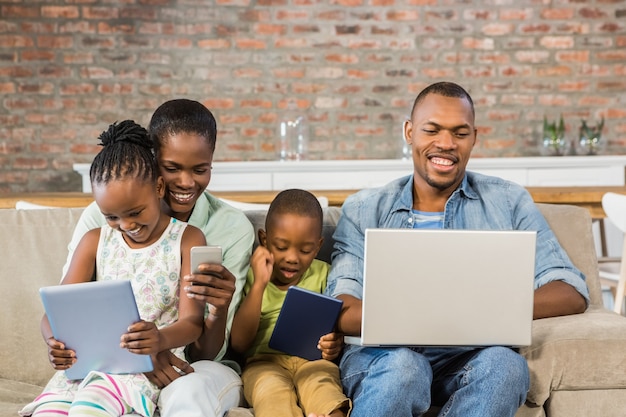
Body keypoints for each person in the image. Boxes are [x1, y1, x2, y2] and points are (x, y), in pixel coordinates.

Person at [325, 81, 590, 417]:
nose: (446, 144)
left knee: (505, 365)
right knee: (405, 368)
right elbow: (342, 308)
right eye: (432, 130)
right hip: (383, 358)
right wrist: (441, 310)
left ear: (474, 138)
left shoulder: (508, 201)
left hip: (468, 356)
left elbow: (570, 290)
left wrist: (483, 309)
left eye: (460, 133)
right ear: (410, 132)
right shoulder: (364, 208)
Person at [60, 100, 255, 416]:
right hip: (116, 362)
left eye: (200, 169)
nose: (186, 183)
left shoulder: (231, 228)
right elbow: (71, 310)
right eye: (172, 167)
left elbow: (207, 352)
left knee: (189, 394)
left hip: (199, 367)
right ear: (153, 164)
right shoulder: (102, 217)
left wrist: (218, 310)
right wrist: (141, 355)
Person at [21, 120, 207, 416]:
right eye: (112, 217)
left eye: (135, 213)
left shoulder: (187, 239)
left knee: (88, 408)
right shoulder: (95, 241)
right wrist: (53, 341)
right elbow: (55, 311)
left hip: (143, 369)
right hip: (88, 366)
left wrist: (159, 339)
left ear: (158, 187)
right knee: (49, 412)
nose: (127, 225)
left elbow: (193, 323)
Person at [230, 189, 351, 417]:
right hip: (263, 363)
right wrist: (259, 286)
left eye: (305, 250)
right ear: (264, 240)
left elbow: (338, 326)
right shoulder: (250, 276)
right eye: (281, 247)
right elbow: (238, 344)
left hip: (313, 362)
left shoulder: (325, 273)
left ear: (317, 246)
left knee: (325, 391)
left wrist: (335, 343)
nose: (293, 258)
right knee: (272, 394)